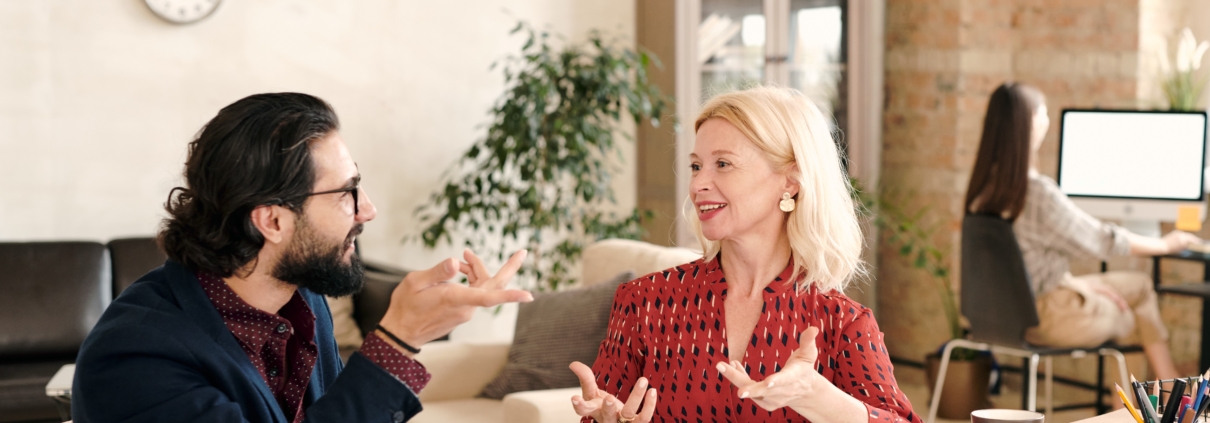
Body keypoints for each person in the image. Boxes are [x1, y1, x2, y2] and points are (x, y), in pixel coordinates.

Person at [72, 93, 533, 422]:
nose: (367, 209)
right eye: (347, 193)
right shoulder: (136, 355)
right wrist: (398, 341)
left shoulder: (303, 302)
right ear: (272, 222)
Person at [569, 86, 919, 423]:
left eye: (722, 164)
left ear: (790, 181)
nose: (697, 185)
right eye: (695, 166)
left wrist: (817, 397)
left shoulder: (841, 323)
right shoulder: (643, 303)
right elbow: (604, 411)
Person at [964, 82, 1201, 381]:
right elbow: (1101, 240)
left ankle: (1160, 397)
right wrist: (1166, 245)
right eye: (1044, 114)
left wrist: (1078, 286)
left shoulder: (982, 189)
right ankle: (1170, 398)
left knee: (1139, 286)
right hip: (1047, 317)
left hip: (1001, 314)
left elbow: (1026, 266)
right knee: (1136, 315)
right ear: (1032, 122)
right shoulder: (1036, 193)